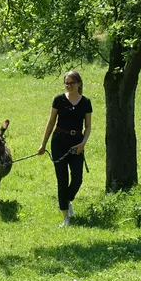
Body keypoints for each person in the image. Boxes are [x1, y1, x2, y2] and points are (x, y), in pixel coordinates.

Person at [37, 70, 93, 227]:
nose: (69, 86)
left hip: (77, 143)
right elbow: (51, 122)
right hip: (59, 142)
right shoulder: (58, 100)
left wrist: (83, 143)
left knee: (77, 179)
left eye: (72, 83)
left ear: (79, 84)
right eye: (66, 83)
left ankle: (67, 200)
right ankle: (66, 217)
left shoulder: (86, 102)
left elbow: (88, 126)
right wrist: (43, 144)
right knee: (62, 180)